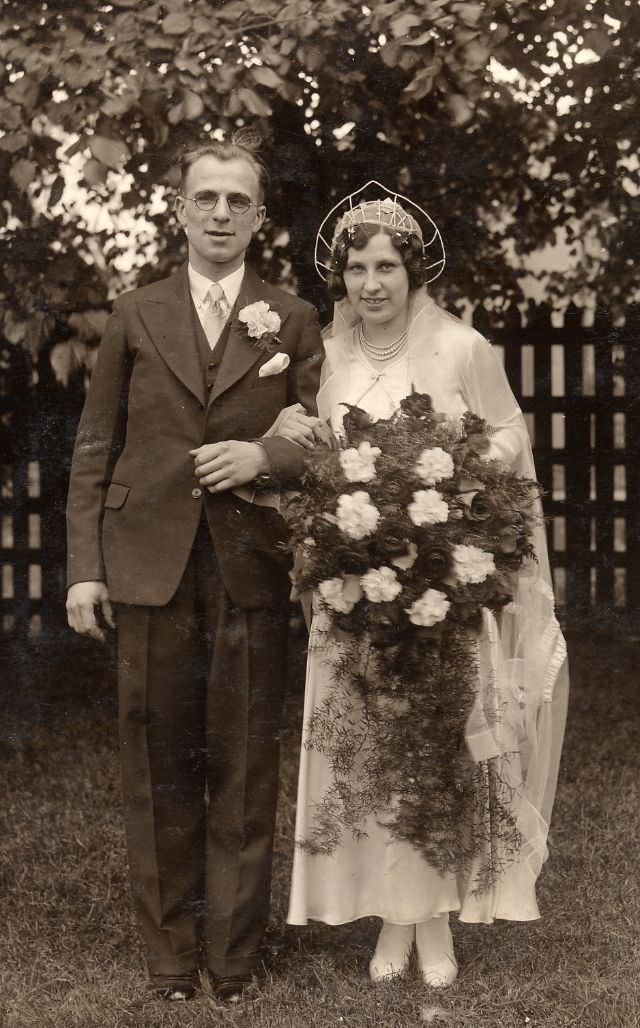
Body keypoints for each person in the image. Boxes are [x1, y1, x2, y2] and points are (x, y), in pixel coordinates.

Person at [281, 188, 569, 987]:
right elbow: (297, 437)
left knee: (436, 754)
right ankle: (389, 918)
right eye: (357, 269)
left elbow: (511, 431)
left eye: (387, 267)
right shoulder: (326, 357)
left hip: (440, 583)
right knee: (362, 755)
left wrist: (461, 472)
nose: (372, 284)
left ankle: (433, 923)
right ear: (340, 278)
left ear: (414, 272)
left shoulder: (460, 348)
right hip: (351, 585)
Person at [65, 137, 324, 1003]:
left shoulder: (290, 318)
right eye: (205, 198)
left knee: (245, 762)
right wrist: (83, 570)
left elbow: (322, 435)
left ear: (259, 215)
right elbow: (95, 446)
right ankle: (171, 958)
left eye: (237, 201)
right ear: (179, 210)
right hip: (148, 568)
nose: (220, 214)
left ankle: (235, 957)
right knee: (157, 760)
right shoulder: (136, 313)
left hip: (250, 569)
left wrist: (263, 457)